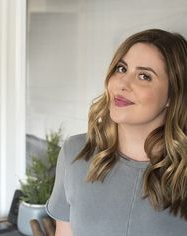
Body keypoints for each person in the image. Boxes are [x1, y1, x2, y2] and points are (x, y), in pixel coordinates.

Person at [45, 29, 187, 236]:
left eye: (144, 76)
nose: (122, 83)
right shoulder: (75, 154)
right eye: (121, 69)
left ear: (172, 96)